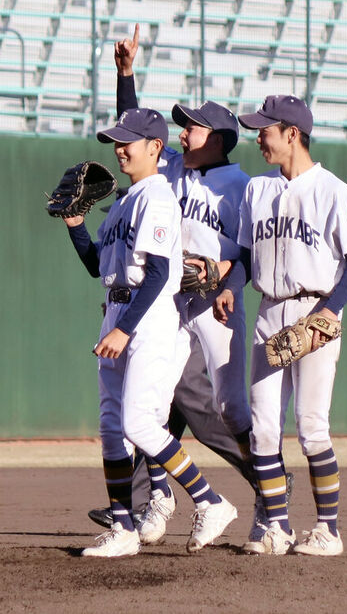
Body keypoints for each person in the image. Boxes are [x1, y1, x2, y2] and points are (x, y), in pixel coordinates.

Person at [87, 24, 260, 545]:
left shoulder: (240, 186)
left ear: (221, 140)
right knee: (156, 404)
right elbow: (136, 133)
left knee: (223, 409)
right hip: (164, 300)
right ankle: (149, 503)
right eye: (182, 127)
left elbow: (250, 249)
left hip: (212, 302)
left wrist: (232, 279)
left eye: (195, 129)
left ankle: (269, 484)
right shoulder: (170, 172)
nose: (185, 133)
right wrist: (125, 75)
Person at [64, 108, 237, 557]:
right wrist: (76, 225)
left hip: (149, 318)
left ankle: (210, 501)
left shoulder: (157, 197)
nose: (120, 148)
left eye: (129, 141)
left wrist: (123, 329)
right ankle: (123, 528)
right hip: (119, 309)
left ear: (155, 147)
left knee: (140, 423)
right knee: (111, 428)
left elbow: (160, 272)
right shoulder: (124, 201)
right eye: (117, 140)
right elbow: (94, 264)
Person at [216, 95, 347, 555]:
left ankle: (328, 530)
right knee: (264, 427)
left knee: (310, 426)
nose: (257, 136)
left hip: (314, 312)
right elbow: (244, 255)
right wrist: (231, 283)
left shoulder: (332, 190)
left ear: (292, 134)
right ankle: (276, 528)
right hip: (268, 310)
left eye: (265, 129)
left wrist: (330, 310)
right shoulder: (257, 189)